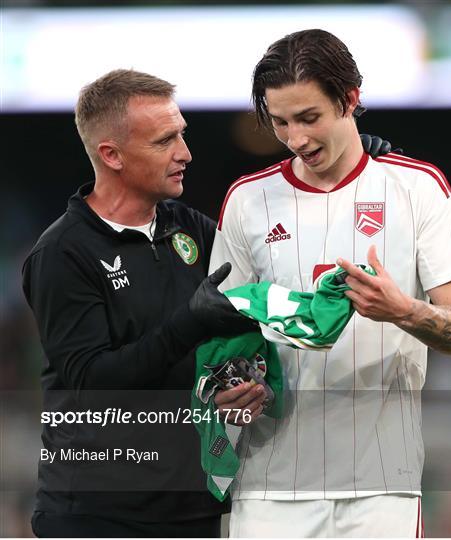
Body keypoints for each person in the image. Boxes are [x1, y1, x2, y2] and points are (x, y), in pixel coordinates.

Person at [22, 68, 390, 538]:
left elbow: (283, 278)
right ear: (111, 155)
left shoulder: (189, 229)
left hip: (190, 508)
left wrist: (347, 173)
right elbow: (92, 388)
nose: (185, 153)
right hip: (100, 514)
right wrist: (189, 324)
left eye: (182, 134)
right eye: (164, 141)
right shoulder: (63, 253)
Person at [210, 29, 451, 538]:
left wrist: (403, 311)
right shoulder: (247, 201)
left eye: (309, 118)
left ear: (350, 100)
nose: (296, 139)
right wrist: (233, 383)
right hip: (270, 485)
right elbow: (221, 331)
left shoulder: (418, 189)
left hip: (382, 486)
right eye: (281, 122)